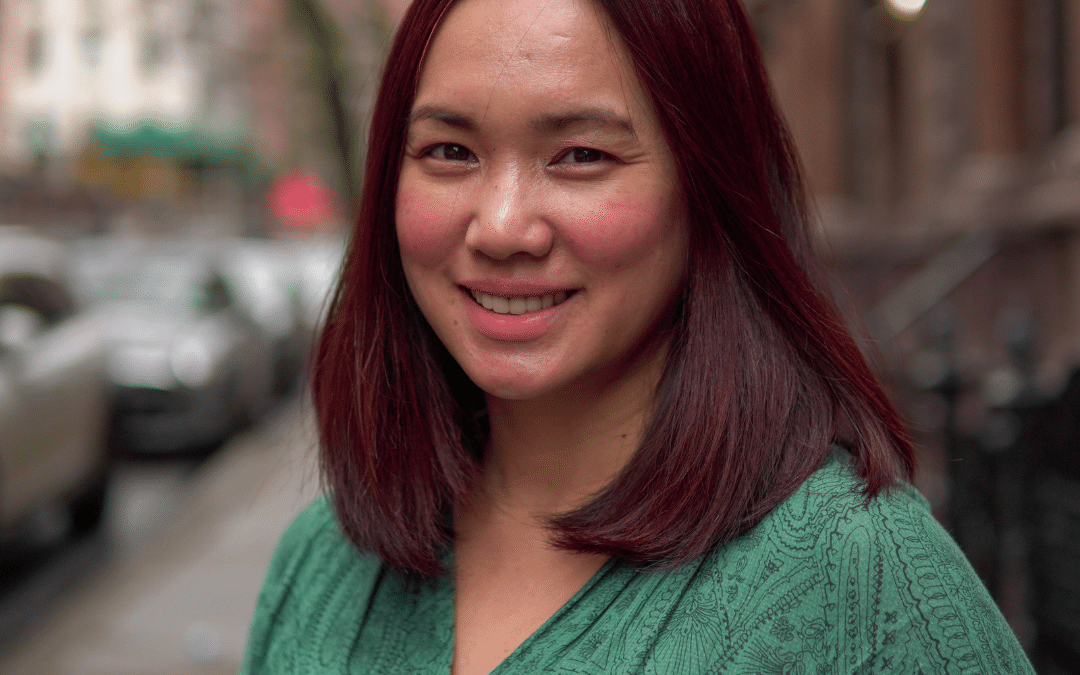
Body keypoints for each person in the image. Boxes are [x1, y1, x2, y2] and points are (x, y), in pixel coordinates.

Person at [241, 0, 1036, 672]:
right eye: (451, 151)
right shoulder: (323, 564)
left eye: (580, 155)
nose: (502, 226)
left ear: (708, 185)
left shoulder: (861, 580)